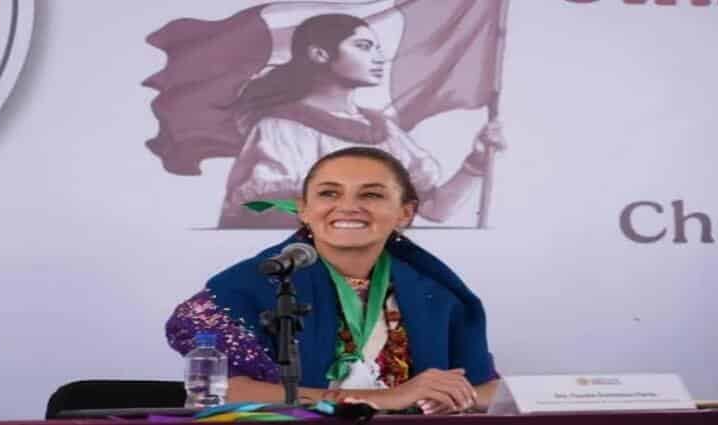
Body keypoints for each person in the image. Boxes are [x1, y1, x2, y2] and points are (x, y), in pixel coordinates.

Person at [168, 147, 500, 414]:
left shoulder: (435, 292)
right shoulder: (258, 282)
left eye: (371, 195)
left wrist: (453, 397)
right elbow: (221, 391)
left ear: (405, 212)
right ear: (304, 209)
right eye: (329, 193)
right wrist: (390, 398)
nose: (348, 207)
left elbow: (487, 388)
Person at [218, 13, 505, 228]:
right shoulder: (281, 127)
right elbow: (264, 211)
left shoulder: (385, 130)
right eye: (364, 46)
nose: (379, 58)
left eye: (377, 48)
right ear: (320, 54)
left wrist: (476, 163)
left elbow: (434, 209)